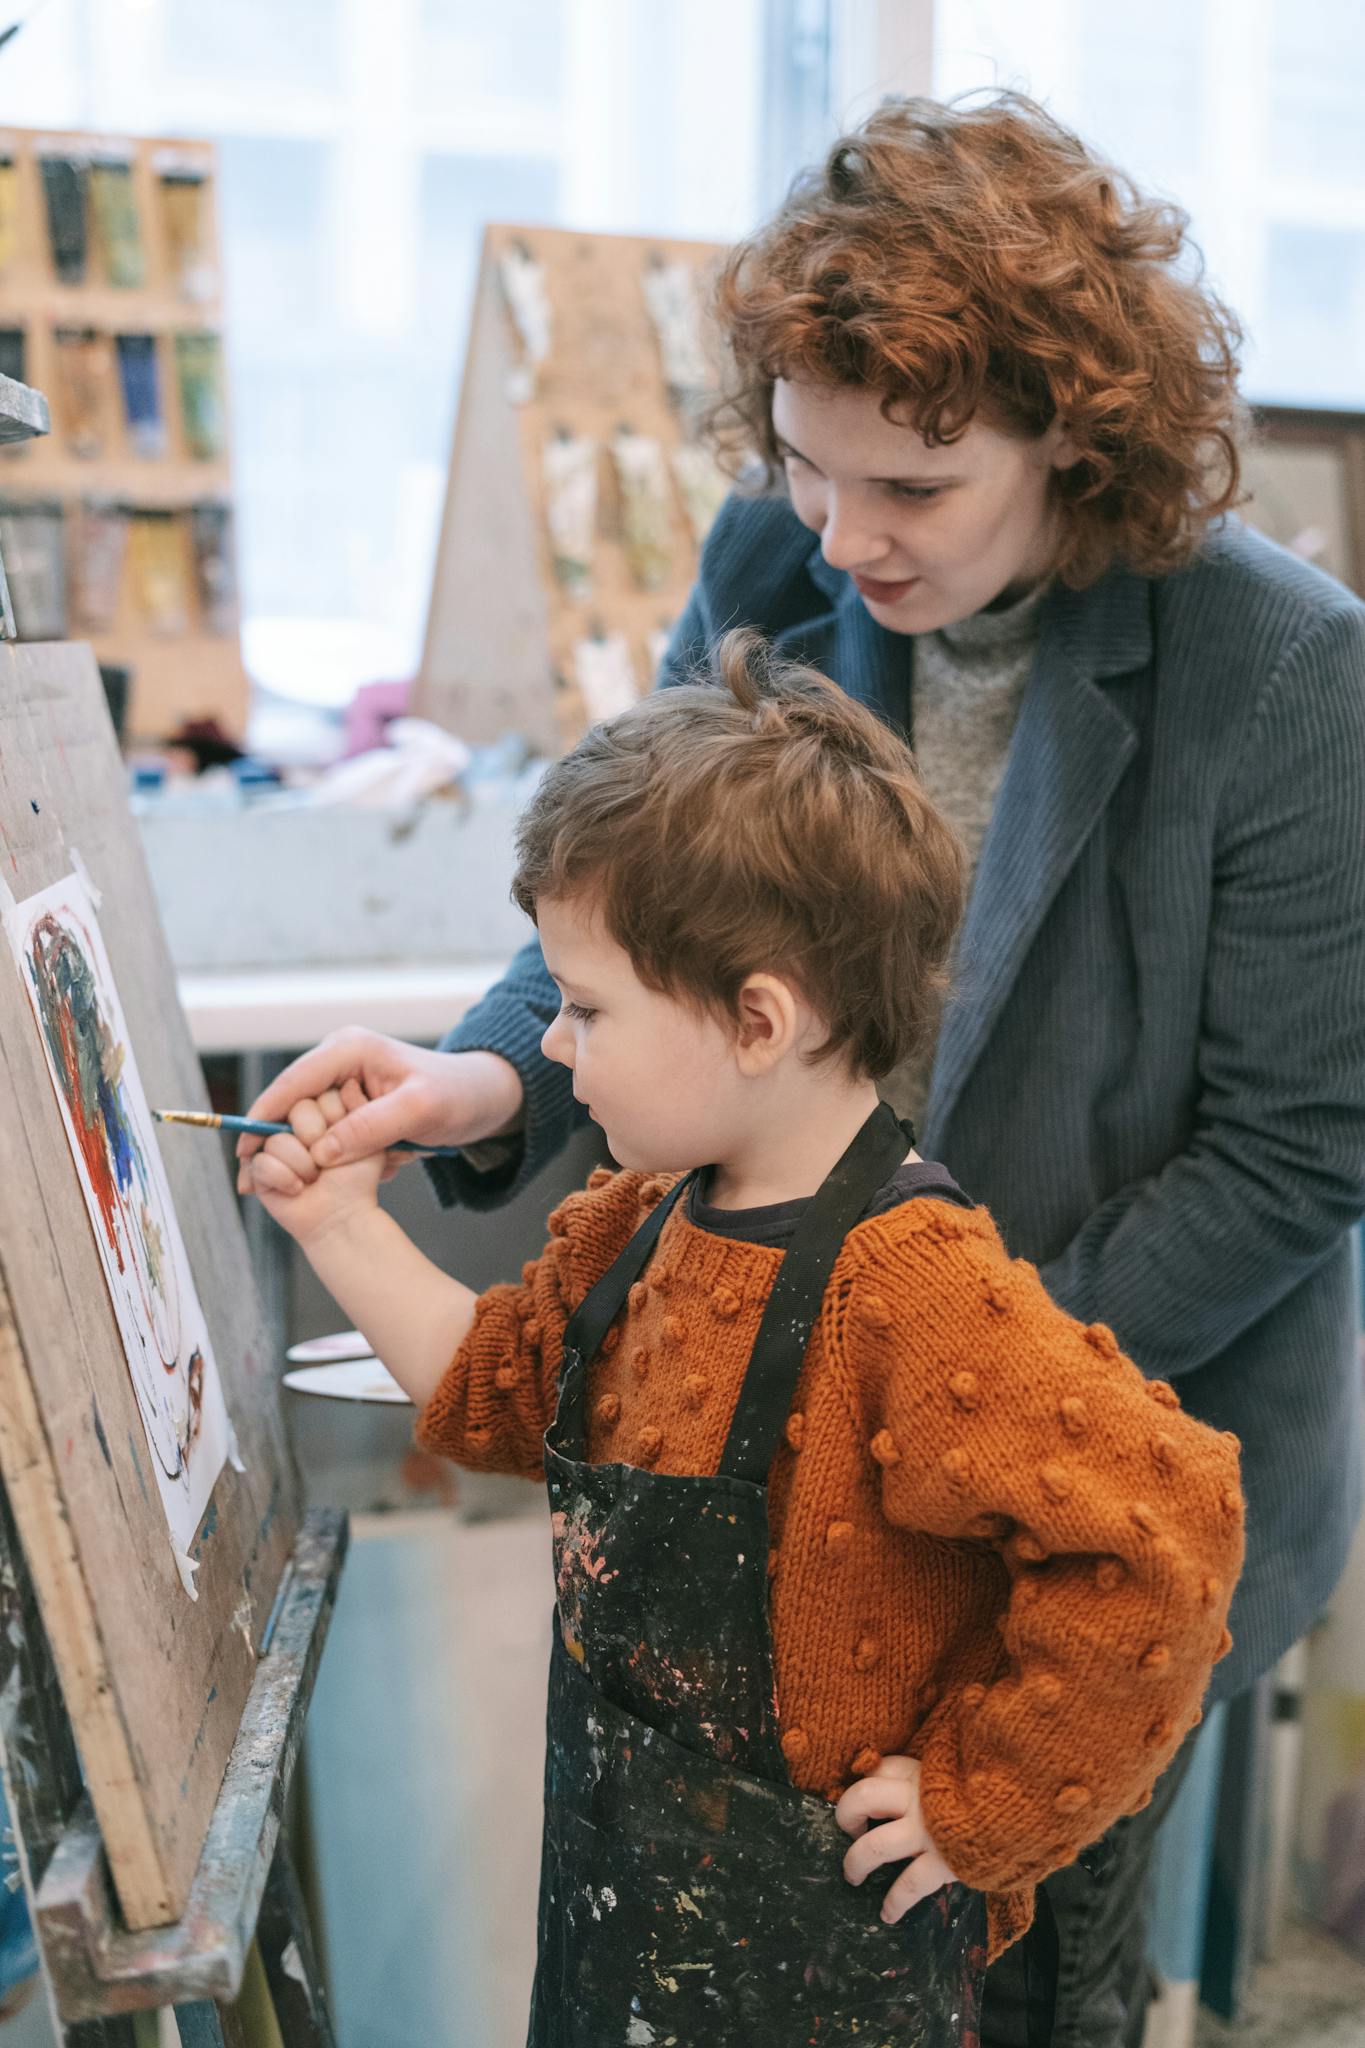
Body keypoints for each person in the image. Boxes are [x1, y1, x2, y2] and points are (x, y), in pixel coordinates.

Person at [244, 93, 1365, 2042]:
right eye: (802, 467)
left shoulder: (1277, 674)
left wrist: (905, 1367)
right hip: (791, 1496)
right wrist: (493, 1079)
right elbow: (636, 900)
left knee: (1020, 1970)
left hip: (1055, 1499)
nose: (841, 535)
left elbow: (1292, 1151)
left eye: (910, 490)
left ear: (1067, 431)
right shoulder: (776, 554)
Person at [242, 633, 1243, 2047]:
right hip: (622, 1921)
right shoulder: (635, 1224)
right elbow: (497, 1396)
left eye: (585, 1012)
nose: (560, 1052)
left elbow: (1170, 1533)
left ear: (757, 1019)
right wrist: (338, 1225)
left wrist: (984, 1805)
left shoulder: (914, 1287)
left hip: (822, 1972)